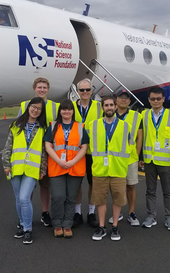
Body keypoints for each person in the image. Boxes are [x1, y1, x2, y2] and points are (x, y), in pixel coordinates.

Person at [2, 97, 47, 245]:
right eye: (33, 107)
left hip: (32, 169)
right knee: (18, 198)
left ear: (41, 112)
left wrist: (42, 168)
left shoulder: (42, 128)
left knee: (24, 198)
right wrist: (6, 165)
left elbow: (44, 151)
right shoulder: (16, 125)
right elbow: (8, 146)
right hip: (16, 167)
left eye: (39, 109)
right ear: (28, 107)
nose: (35, 110)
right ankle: (22, 223)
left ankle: (27, 229)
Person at [18, 77, 59, 227]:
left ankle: (45, 212)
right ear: (34, 88)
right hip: (28, 152)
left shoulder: (55, 107)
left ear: (48, 89)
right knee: (28, 186)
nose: (42, 90)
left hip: (46, 151)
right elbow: (17, 128)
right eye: (39, 87)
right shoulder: (24, 105)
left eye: (44, 87)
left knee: (45, 184)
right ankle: (25, 213)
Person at [44, 99, 88, 238]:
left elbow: (84, 147)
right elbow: (48, 145)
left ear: (73, 111)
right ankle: (57, 224)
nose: (66, 111)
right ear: (60, 111)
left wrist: (73, 161)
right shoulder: (53, 126)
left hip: (75, 167)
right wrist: (59, 161)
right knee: (58, 196)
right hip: (57, 166)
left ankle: (67, 225)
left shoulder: (80, 126)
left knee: (71, 197)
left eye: (69, 109)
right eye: (64, 109)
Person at [89, 96, 131, 241]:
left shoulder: (125, 126)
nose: (109, 107)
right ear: (102, 108)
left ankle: (114, 226)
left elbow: (129, 146)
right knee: (100, 199)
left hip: (118, 169)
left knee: (118, 199)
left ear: (115, 107)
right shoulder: (92, 125)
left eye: (111, 105)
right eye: (106, 105)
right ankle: (101, 227)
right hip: (100, 169)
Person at [140, 87, 170, 231]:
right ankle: (151, 216)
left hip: (165, 160)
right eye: (152, 99)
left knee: (167, 191)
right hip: (149, 160)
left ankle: (169, 218)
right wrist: (140, 157)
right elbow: (141, 137)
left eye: (158, 98)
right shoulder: (144, 115)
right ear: (149, 100)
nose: (155, 101)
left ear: (163, 99)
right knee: (150, 190)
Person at [108, 89, 142, 226]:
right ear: (116, 100)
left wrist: (137, 155)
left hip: (130, 158)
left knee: (130, 186)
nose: (123, 100)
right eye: (121, 97)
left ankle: (131, 213)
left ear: (129, 101)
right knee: (116, 188)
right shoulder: (109, 114)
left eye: (126, 98)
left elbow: (139, 138)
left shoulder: (136, 116)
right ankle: (118, 212)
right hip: (114, 158)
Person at [72, 78, 102, 228]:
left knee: (93, 184)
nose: (85, 92)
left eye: (88, 90)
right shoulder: (70, 107)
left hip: (93, 152)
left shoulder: (99, 107)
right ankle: (77, 213)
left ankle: (91, 212)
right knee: (77, 183)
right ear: (77, 92)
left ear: (92, 91)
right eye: (82, 90)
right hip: (76, 152)